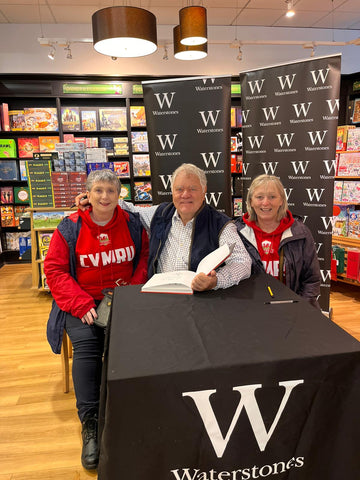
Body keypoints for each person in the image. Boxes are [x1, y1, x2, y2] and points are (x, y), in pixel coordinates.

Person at [44, 169, 149, 470]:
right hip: (83, 303)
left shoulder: (132, 223)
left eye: (111, 191)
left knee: (133, 344)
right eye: (98, 191)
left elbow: (143, 258)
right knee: (88, 349)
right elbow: (54, 270)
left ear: (120, 196)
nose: (105, 197)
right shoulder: (69, 227)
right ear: (88, 195)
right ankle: (90, 421)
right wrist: (78, 303)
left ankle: (127, 411)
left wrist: (130, 291)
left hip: (122, 299)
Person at [77, 163, 251, 290]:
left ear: (204, 190)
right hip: (158, 295)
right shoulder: (159, 213)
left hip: (199, 300)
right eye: (179, 189)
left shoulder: (220, 224)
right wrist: (94, 198)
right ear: (172, 191)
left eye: (192, 189)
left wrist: (216, 281)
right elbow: (129, 208)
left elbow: (242, 263)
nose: (185, 195)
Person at [236, 174, 321, 308]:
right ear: (251, 201)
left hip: (292, 309)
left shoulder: (301, 233)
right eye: (259, 197)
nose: (265, 203)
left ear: (281, 200)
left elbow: (311, 280)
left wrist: (301, 308)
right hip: (251, 310)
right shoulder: (236, 232)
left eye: (272, 197)